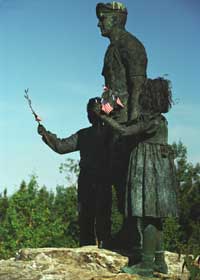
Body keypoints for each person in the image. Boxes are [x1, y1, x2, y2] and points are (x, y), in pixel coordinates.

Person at [93, 78, 178, 277]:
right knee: (155, 218)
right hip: (157, 168)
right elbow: (130, 126)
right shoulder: (159, 119)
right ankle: (159, 261)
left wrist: (103, 117)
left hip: (149, 168)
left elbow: (124, 131)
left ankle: (147, 265)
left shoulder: (150, 120)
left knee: (148, 215)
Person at [37, 98, 112, 248]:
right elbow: (61, 146)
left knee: (90, 217)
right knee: (96, 217)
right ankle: (101, 248)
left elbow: (61, 146)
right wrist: (45, 134)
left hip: (94, 179)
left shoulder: (96, 134)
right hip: (97, 179)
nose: (89, 116)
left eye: (90, 112)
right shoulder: (107, 132)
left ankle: (92, 248)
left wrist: (45, 133)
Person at [96, 1, 148, 123]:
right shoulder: (111, 49)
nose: (99, 24)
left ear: (115, 19)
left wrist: (132, 124)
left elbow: (138, 87)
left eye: (103, 19)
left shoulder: (131, 45)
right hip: (112, 117)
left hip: (124, 120)